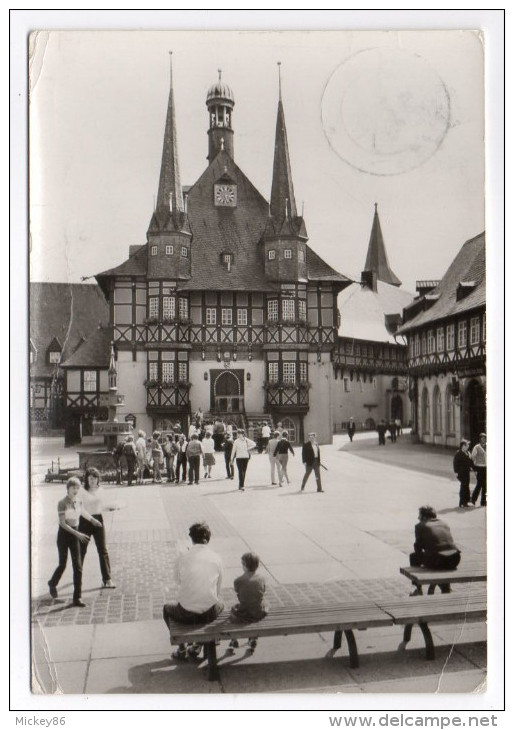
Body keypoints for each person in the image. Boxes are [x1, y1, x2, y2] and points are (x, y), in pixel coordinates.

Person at [163, 522, 224, 660]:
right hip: (209, 612)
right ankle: (199, 644)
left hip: (186, 612)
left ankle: (182, 647)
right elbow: (218, 589)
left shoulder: (183, 556)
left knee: (167, 609)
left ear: (191, 538)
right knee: (221, 604)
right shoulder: (216, 558)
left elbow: (177, 581)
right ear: (208, 538)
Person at [48, 477, 102, 607]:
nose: (76, 490)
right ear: (68, 489)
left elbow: (82, 512)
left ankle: (77, 598)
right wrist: (78, 534)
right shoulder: (62, 503)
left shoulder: (78, 501)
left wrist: (92, 520)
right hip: (64, 535)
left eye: (78, 487)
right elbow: (62, 523)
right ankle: (52, 583)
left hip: (75, 534)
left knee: (78, 567)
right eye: (73, 488)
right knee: (63, 564)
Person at [79, 467, 118, 589]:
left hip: (98, 520)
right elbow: (80, 509)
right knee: (81, 550)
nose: (92, 481)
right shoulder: (81, 491)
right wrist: (91, 520)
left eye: (94, 478)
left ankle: (107, 579)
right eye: (90, 478)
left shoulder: (101, 490)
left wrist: (110, 508)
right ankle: (77, 577)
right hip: (85, 521)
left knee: (102, 550)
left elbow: (102, 506)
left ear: (98, 479)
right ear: (86, 479)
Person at [409, 506, 461, 595]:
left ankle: (417, 588)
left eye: (419, 516)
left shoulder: (420, 526)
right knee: (441, 558)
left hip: (437, 560)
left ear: (424, 517)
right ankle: (446, 588)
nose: (418, 518)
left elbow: (418, 548)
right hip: (454, 559)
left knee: (413, 556)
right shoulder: (444, 523)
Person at [228, 552, 268, 655]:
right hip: (258, 612)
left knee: (233, 612)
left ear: (244, 565)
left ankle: (233, 638)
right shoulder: (262, 578)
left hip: (244, 613)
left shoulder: (238, 580)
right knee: (264, 603)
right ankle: (253, 637)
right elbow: (263, 592)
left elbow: (240, 597)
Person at [453, 439, 473, 508]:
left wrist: (472, 467)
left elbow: (470, 462)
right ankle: (462, 502)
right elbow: (455, 463)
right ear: (463, 446)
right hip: (461, 473)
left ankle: (465, 501)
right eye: (467, 445)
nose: (468, 446)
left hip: (467, 472)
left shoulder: (468, 453)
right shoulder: (458, 453)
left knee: (466, 486)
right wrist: (456, 472)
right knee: (464, 486)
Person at [471, 433, 487, 507]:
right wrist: (474, 469)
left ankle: (483, 502)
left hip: (486, 468)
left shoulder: (488, 446)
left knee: (485, 485)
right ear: (480, 439)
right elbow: (473, 458)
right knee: (479, 484)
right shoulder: (476, 447)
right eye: (482, 438)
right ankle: (473, 499)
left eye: (484, 438)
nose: (483, 440)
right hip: (479, 468)